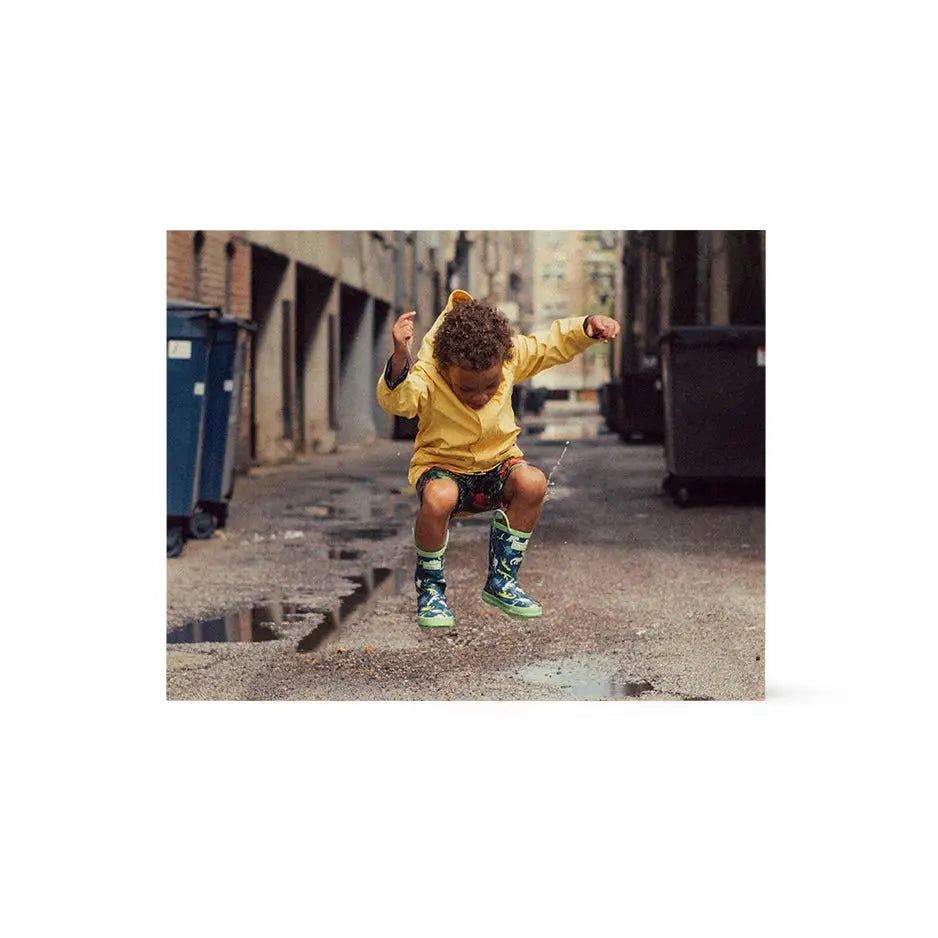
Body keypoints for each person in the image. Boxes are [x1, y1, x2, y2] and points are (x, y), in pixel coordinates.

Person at [376, 289, 620, 629]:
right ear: (446, 369)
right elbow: (398, 402)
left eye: (490, 386)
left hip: (497, 465)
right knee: (439, 497)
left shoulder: (507, 357)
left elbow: (547, 345)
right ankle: (430, 590)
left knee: (533, 482)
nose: (480, 397)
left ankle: (502, 580)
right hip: (445, 469)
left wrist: (586, 327)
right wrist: (401, 357)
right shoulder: (428, 375)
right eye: (467, 390)